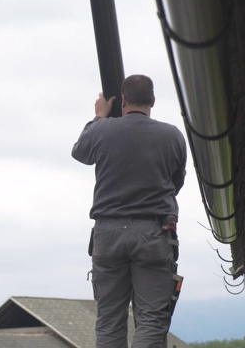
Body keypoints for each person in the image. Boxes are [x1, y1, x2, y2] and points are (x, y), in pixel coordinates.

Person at [71, 74, 187, 348]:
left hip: (107, 233)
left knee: (109, 319)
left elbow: (80, 153)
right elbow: (175, 183)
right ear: (153, 101)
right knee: (151, 320)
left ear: (122, 101)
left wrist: (99, 116)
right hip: (154, 233)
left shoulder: (102, 130)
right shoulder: (172, 135)